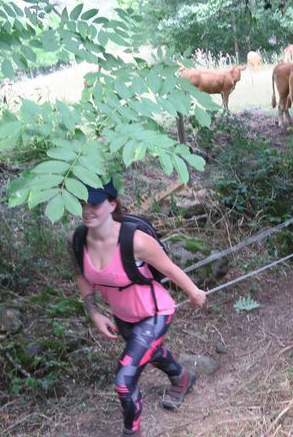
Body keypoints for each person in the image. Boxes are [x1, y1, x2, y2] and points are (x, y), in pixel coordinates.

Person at [73, 181, 207, 437]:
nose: (87, 210)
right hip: (122, 316)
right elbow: (81, 274)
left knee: (124, 382)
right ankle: (183, 377)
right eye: (82, 204)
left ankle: (131, 432)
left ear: (112, 204)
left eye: (95, 204)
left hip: (154, 313)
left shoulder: (136, 241)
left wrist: (194, 292)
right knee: (150, 353)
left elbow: (169, 269)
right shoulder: (78, 239)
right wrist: (94, 312)